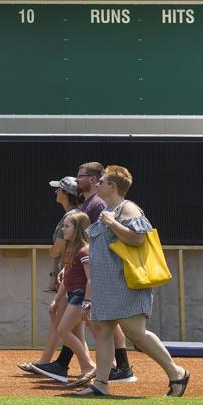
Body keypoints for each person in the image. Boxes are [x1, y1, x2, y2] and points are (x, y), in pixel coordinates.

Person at [75, 166, 189, 397]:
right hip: (108, 286)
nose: (97, 184)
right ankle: (100, 384)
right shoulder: (107, 210)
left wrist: (112, 223)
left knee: (135, 332)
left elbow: (138, 239)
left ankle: (176, 372)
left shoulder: (128, 208)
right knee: (104, 331)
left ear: (112, 186)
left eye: (103, 181)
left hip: (126, 283)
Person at [76, 161, 136, 383]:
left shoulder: (102, 206)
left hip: (106, 272)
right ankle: (108, 374)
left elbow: (136, 236)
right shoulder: (91, 203)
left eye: (81, 176)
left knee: (126, 329)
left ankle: (120, 367)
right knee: (101, 325)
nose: (77, 180)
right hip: (94, 268)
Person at [18, 176, 80, 382]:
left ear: (67, 194)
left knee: (59, 320)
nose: (56, 192)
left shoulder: (71, 216)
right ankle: (55, 364)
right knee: (72, 326)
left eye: (59, 190)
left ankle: (46, 363)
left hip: (70, 273)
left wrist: (53, 253)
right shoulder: (71, 215)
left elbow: (58, 250)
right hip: (67, 272)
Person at [51, 212, 96, 387]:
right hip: (73, 295)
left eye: (67, 226)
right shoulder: (71, 250)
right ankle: (87, 371)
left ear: (77, 229)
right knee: (78, 335)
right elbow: (66, 279)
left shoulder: (84, 250)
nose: (63, 229)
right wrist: (56, 300)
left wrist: (87, 301)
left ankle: (89, 366)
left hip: (79, 296)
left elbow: (90, 279)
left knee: (63, 330)